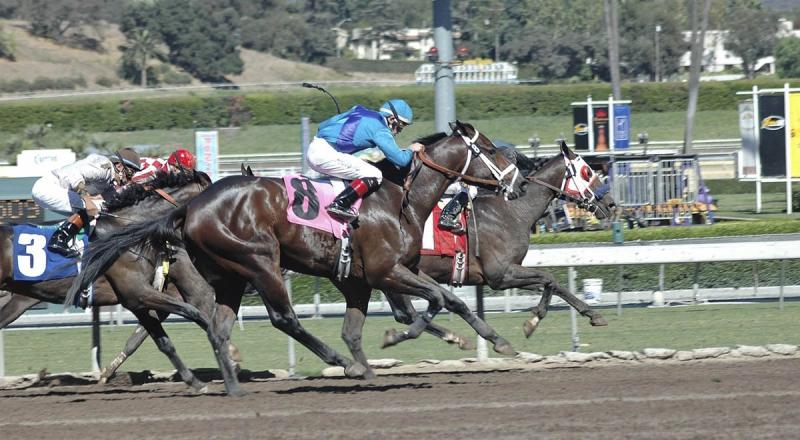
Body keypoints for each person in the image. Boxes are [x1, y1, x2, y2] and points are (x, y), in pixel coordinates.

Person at [306, 98, 424, 222]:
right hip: (324, 155)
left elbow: (322, 126)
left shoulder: (359, 110)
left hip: (315, 146)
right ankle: (340, 205)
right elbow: (401, 160)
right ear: (391, 119)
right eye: (401, 125)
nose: (400, 130)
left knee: (360, 167)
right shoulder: (381, 130)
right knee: (375, 174)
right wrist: (411, 149)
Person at [31, 148, 142, 257]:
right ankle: (59, 239)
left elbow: (112, 201)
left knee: (101, 208)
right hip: (48, 188)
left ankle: (79, 241)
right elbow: (74, 174)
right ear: (119, 166)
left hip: (52, 190)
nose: (130, 178)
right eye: (130, 173)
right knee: (94, 207)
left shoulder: (109, 180)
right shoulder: (104, 169)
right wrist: (87, 200)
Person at [131, 149, 197, 184]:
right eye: (184, 172)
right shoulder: (155, 170)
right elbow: (132, 182)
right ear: (175, 167)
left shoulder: (166, 170)